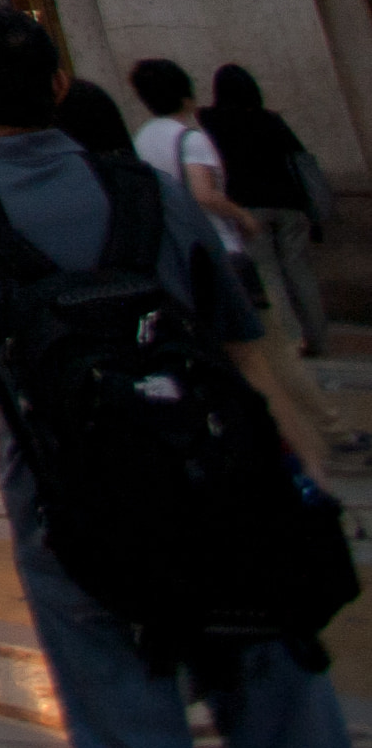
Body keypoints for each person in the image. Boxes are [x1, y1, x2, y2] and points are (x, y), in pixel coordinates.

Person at [0, 2, 341, 748]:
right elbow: (244, 349)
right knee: (276, 695)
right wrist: (306, 474)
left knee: (122, 720)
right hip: (220, 472)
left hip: (67, 496)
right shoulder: (148, 190)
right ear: (59, 80)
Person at [128, 56, 330, 461]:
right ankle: (322, 428)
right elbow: (204, 192)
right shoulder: (192, 138)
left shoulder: (145, 137)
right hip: (224, 253)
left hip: (182, 259)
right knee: (267, 348)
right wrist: (240, 216)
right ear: (186, 92)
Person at [206, 64, 332, 363]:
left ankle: (291, 340)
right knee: (299, 270)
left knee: (266, 272)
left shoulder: (212, 121)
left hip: (248, 205)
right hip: (291, 204)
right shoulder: (271, 120)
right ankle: (317, 337)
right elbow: (300, 161)